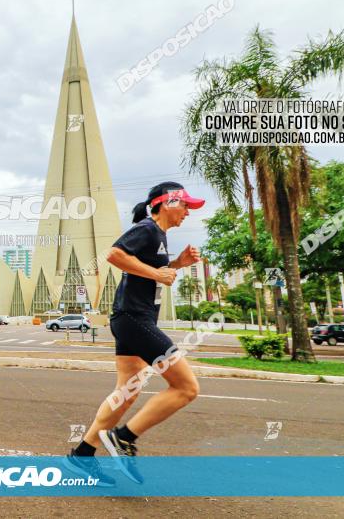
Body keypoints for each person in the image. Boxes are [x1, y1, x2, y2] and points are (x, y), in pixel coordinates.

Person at [64, 182, 204, 485]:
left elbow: (150, 268)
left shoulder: (159, 237)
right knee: (186, 387)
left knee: (126, 393)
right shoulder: (148, 228)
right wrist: (158, 273)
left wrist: (177, 263)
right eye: (186, 206)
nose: (188, 213)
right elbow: (114, 254)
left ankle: (83, 455)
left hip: (131, 319)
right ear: (167, 203)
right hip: (134, 318)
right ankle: (124, 438)